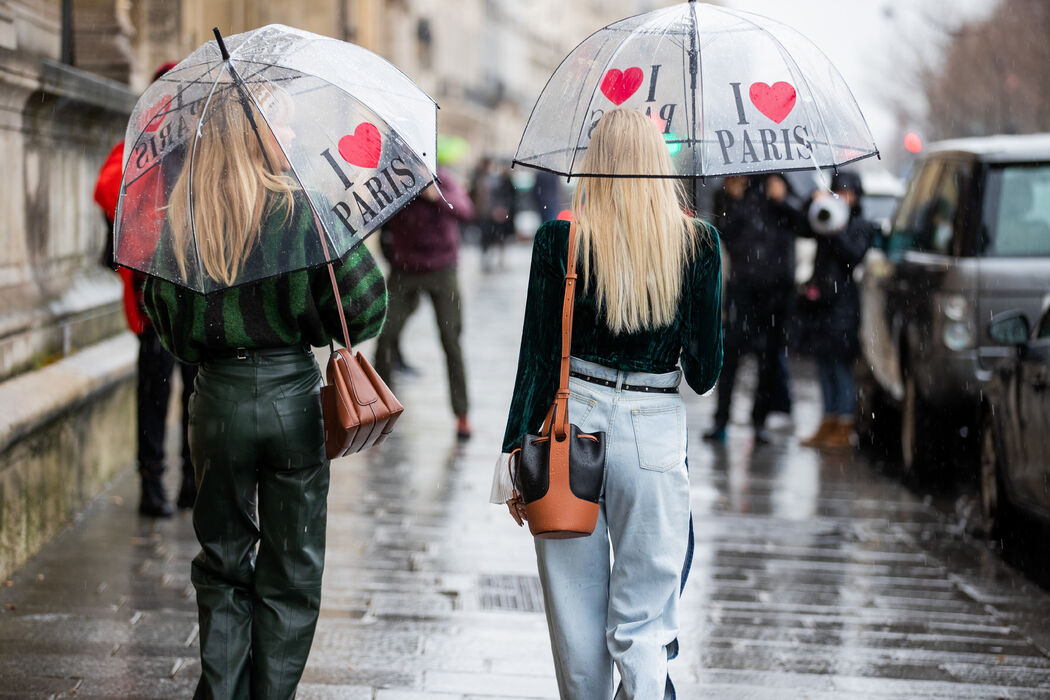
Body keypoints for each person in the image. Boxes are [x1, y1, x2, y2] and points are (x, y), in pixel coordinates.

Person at [142, 85, 387, 698]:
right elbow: (365, 309)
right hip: (291, 402)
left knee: (222, 564)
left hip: (217, 399)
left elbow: (165, 321)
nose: (292, 139)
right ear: (258, 135)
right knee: (292, 571)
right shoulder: (303, 210)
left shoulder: (182, 214)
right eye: (283, 127)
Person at [489, 108, 723, 699]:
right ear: (658, 165)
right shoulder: (698, 245)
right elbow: (704, 373)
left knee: (576, 629)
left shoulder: (559, 243)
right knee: (644, 625)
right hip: (655, 430)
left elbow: (538, 360)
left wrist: (513, 447)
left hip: (575, 424)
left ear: (595, 166)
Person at [93, 61, 198, 517]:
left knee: (199, 397)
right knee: (153, 396)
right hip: (153, 299)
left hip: (200, 298)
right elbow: (107, 188)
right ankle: (151, 483)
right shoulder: (139, 146)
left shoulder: (207, 148)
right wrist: (153, 147)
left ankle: (194, 479)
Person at [373, 168, 474, 439]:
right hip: (403, 270)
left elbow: (465, 210)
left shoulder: (441, 178)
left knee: (451, 341)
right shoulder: (392, 180)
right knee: (384, 337)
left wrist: (435, 194)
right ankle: (382, 412)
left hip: (442, 270)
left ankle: (462, 415)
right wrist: (392, 192)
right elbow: (371, 213)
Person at [703, 173, 798, 444]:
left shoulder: (779, 181)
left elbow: (801, 224)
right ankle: (721, 420)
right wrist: (733, 199)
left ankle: (759, 422)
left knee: (768, 360)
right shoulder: (733, 185)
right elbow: (724, 234)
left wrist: (782, 200)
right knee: (730, 357)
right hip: (743, 290)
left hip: (776, 293)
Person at [796, 171, 874, 449]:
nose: (843, 197)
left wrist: (837, 228)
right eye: (838, 191)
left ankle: (844, 423)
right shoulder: (824, 218)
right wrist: (813, 202)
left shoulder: (861, 225)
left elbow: (854, 255)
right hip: (821, 304)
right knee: (824, 364)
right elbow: (801, 225)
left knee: (840, 366)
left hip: (844, 306)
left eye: (848, 192)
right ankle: (828, 420)